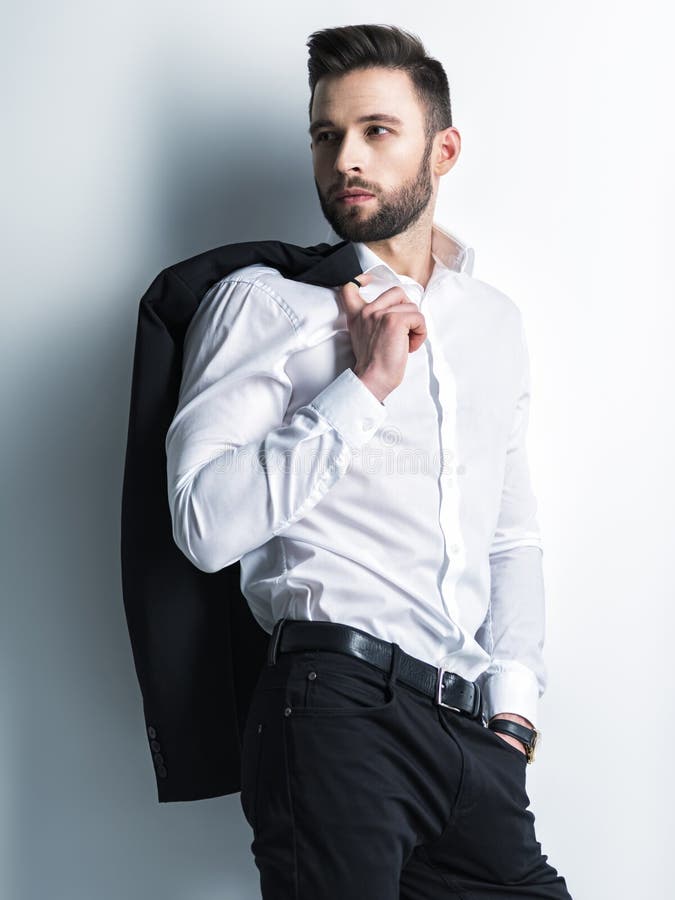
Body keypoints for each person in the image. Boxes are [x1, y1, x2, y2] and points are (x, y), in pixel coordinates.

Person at [164, 22, 573, 900]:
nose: (344, 157)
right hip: (332, 708)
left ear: (443, 148)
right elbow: (201, 525)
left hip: (472, 739)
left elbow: (510, 537)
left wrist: (514, 715)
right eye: (325, 135)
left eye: (375, 131)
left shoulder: (493, 322)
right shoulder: (264, 306)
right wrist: (364, 387)